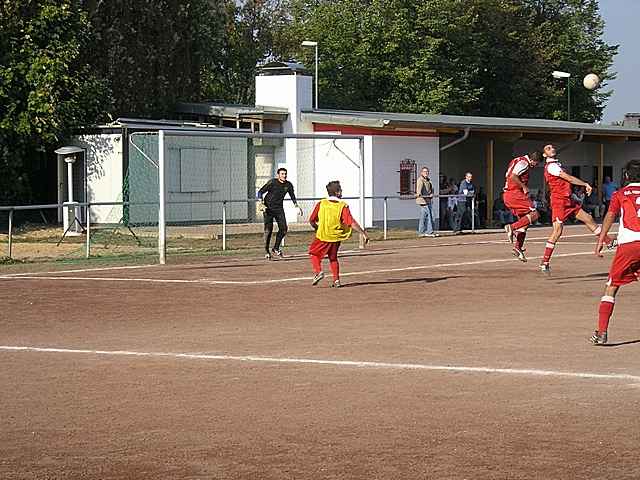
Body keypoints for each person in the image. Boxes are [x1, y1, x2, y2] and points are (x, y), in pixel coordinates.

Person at [539, 144, 614, 274]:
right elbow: (568, 178)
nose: (552, 149)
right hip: (559, 202)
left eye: (552, 147)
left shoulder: (556, 164)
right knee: (557, 231)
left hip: (568, 200)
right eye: (548, 148)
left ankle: (608, 241)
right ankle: (544, 262)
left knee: (588, 218)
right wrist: (585, 184)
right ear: (545, 155)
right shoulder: (551, 166)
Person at [590, 160, 640, 345]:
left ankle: (602, 332)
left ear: (626, 176)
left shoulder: (620, 193)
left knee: (611, 286)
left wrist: (601, 239)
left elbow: (610, 215)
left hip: (628, 245)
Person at [308, 180, 369, 288]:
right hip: (336, 236)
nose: (342, 192)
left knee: (313, 253)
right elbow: (351, 222)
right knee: (333, 257)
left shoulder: (321, 204)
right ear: (337, 192)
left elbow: (312, 220)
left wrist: (317, 228)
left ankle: (319, 272)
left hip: (323, 235)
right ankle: (336, 280)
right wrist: (363, 233)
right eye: (340, 190)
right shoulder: (342, 206)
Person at [502, 151, 543, 262]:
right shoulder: (524, 163)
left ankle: (518, 248)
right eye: (537, 163)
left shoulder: (517, 160)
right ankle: (511, 227)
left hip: (510, 194)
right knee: (534, 214)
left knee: (524, 223)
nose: (536, 166)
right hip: (514, 193)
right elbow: (513, 176)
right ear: (534, 161)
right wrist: (523, 186)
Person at [257, 167, 303, 259]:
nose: (284, 175)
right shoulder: (272, 182)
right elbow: (260, 192)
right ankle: (267, 251)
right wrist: (261, 202)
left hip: (279, 209)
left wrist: (296, 206)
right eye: (282, 174)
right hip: (268, 209)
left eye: (285, 174)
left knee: (284, 228)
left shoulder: (288, 185)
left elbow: (292, 195)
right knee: (268, 230)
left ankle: (276, 248)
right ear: (278, 175)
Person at [415, 167, 438, 237]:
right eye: (425, 172)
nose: (426, 173)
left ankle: (421, 232)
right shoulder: (420, 180)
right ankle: (429, 232)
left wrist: (431, 194)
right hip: (423, 201)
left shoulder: (428, 180)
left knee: (423, 217)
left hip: (428, 200)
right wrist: (418, 194)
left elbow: (431, 189)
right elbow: (419, 189)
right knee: (431, 216)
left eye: (427, 172)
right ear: (421, 172)